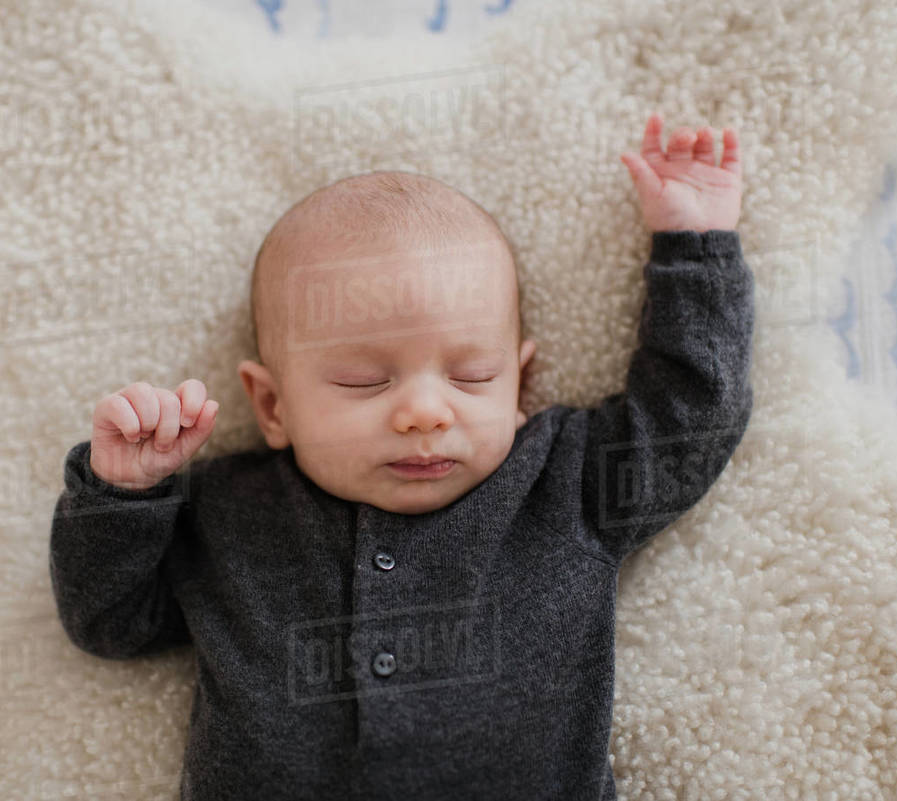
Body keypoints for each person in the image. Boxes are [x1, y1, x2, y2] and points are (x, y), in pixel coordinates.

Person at [49, 112, 753, 800]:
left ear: (522, 385)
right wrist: (123, 495)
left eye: (472, 376)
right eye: (364, 382)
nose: (424, 411)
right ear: (272, 406)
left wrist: (693, 247)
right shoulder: (225, 513)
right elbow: (110, 621)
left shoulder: (562, 482)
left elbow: (689, 417)